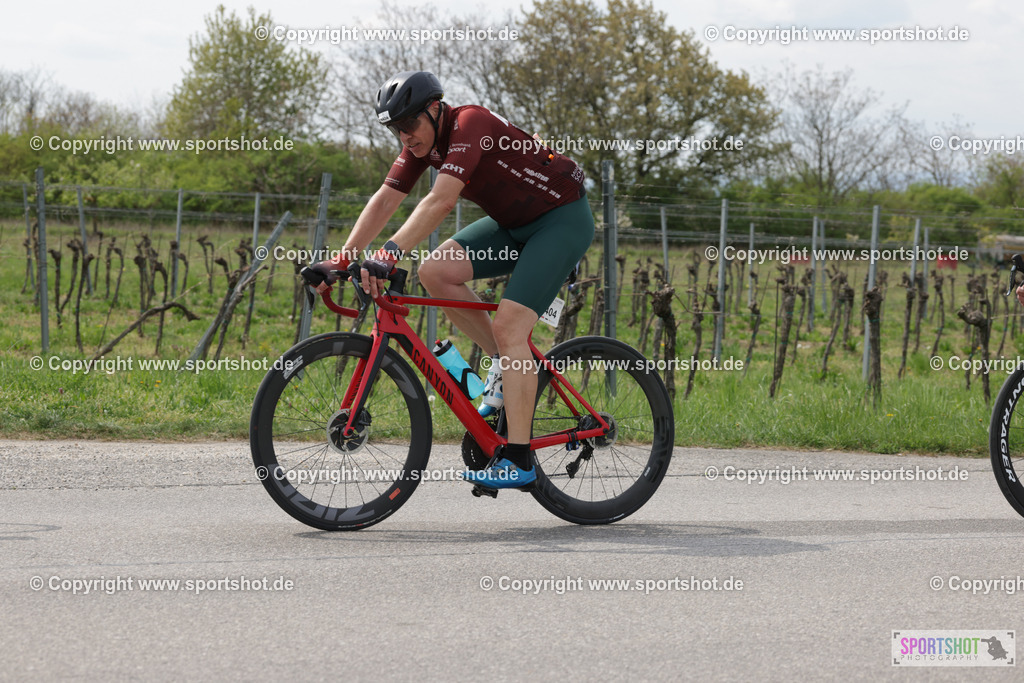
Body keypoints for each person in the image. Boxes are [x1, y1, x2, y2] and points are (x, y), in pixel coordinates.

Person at [308, 70, 594, 489]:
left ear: (435, 108)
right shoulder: (422, 145)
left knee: (510, 327)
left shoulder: (469, 123)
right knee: (434, 272)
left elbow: (441, 200)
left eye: (409, 124)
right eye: (395, 130)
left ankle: (519, 459)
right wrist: (341, 258)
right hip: (513, 226)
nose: (404, 136)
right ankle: (508, 365)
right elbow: (386, 198)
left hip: (561, 222)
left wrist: (389, 253)